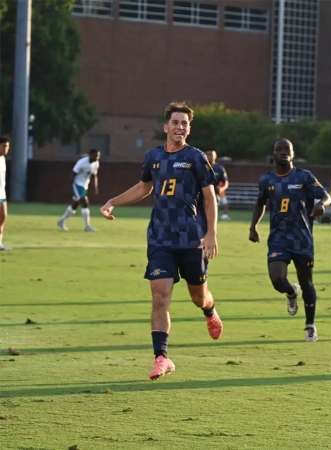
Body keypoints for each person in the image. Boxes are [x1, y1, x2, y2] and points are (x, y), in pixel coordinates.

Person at [99, 102, 223, 380]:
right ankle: (162, 357)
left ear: (189, 129)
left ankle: (210, 311)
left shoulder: (196, 158)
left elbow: (210, 197)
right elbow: (145, 187)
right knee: (159, 297)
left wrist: (212, 233)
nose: (180, 127)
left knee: (198, 297)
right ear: (166, 127)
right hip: (160, 238)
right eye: (175, 123)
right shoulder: (153, 156)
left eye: (185, 124)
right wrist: (113, 202)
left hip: (192, 240)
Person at [249, 139, 331, 342]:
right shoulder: (266, 180)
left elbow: (326, 196)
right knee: (277, 279)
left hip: (302, 239)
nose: (283, 152)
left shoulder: (304, 176)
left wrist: (322, 205)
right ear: (274, 154)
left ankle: (310, 325)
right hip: (278, 238)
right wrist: (253, 227)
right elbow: (260, 203)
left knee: (307, 284)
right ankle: (290, 290)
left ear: (293, 154)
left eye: (287, 150)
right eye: (279, 149)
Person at [57, 149, 100, 232]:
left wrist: (95, 187)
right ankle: (87, 226)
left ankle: (61, 221)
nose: (97, 157)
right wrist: (70, 188)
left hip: (84, 186)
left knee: (75, 205)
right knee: (85, 203)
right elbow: (73, 174)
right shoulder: (81, 162)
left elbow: (94, 175)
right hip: (77, 184)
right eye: (96, 155)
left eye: (98, 156)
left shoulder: (96, 163)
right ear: (90, 155)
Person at [206, 149, 230, 221]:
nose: (210, 156)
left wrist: (222, 189)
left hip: (214, 194)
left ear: (215, 156)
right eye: (208, 154)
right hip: (201, 194)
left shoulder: (219, 169)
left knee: (212, 215)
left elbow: (226, 182)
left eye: (211, 155)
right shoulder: (200, 167)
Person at [0, 136, 9, 251]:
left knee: (3, 217)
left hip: (2, 193)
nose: (6, 149)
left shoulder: (3, 159)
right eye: (3, 146)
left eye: (7, 147)